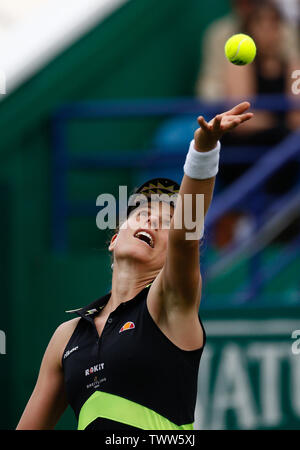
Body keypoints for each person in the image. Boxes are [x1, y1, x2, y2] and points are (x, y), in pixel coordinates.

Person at [16, 102, 253, 430]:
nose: (154, 218)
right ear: (114, 239)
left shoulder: (168, 305)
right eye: (142, 212)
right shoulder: (66, 337)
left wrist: (203, 149)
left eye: (167, 221)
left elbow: (187, 233)